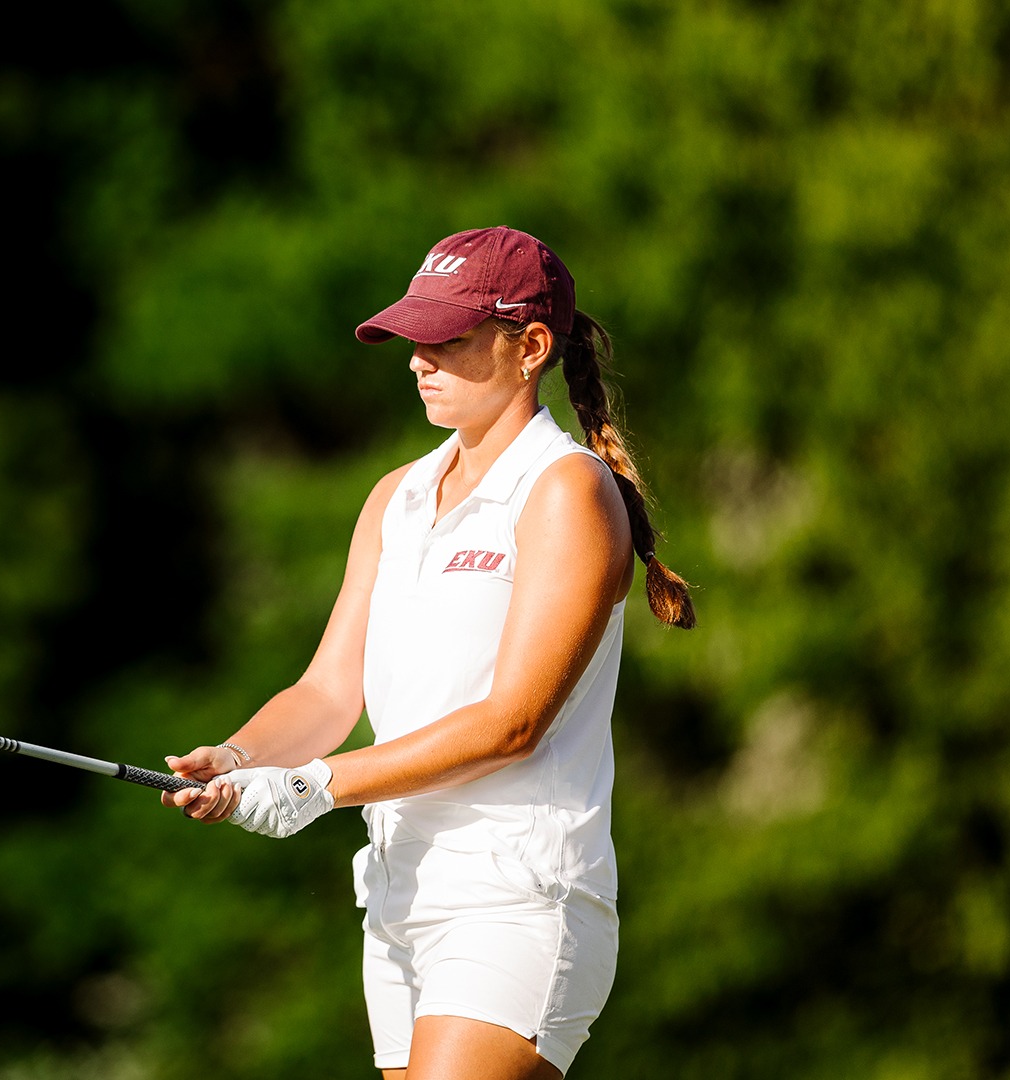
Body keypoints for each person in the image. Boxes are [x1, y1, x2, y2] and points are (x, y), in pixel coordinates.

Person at [162, 226, 695, 1080]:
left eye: (447, 339)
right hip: (401, 896)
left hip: (517, 896)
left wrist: (311, 786)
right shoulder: (395, 497)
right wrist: (236, 758)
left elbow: (513, 723)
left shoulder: (566, 492)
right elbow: (330, 692)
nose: (419, 360)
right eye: (414, 339)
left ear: (529, 348)